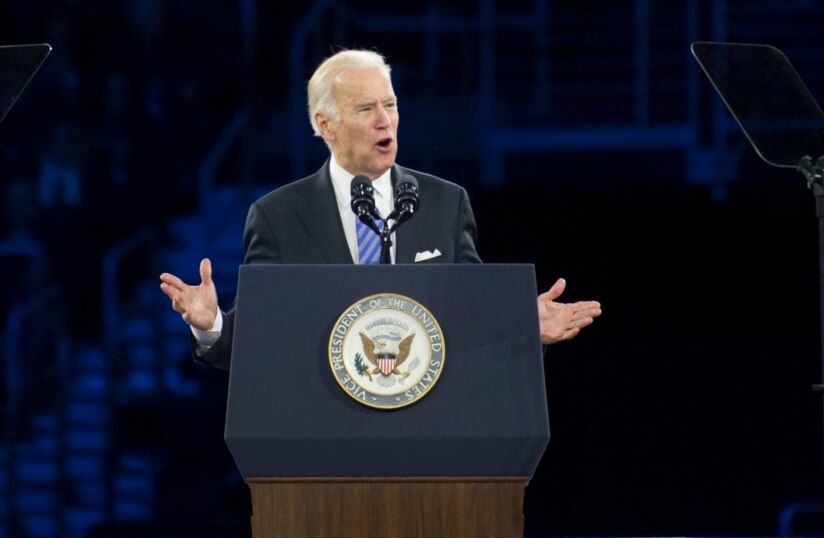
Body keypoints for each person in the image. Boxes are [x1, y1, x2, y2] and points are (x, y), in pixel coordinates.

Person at [160, 49, 600, 369]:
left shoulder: (445, 203)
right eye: (366, 108)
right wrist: (211, 323)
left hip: (428, 439)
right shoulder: (277, 216)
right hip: (323, 445)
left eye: (389, 105)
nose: (384, 120)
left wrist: (522, 323)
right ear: (324, 124)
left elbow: (469, 318)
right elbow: (257, 340)